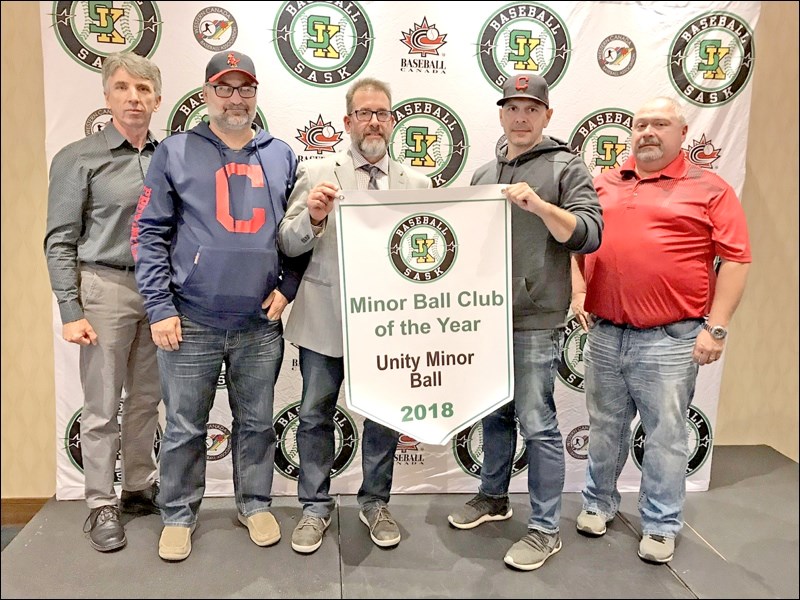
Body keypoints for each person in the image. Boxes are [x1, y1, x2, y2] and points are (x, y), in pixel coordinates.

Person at [132, 51, 307, 561]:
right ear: (206, 94)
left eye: (245, 88)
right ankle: (179, 514)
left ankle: (254, 504)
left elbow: (298, 233)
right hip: (191, 320)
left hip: (259, 323)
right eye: (224, 88)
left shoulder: (281, 155)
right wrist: (160, 306)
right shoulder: (176, 151)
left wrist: (289, 285)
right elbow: (148, 231)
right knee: (185, 424)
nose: (235, 98)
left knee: (257, 422)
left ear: (256, 95)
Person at [570, 97, 751, 564]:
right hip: (607, 334)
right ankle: (597, 503)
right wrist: (576, 292)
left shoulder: (710, 189)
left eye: (660, 124)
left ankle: (660, 523)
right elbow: (575, 243)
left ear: (682, 132)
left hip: (672, 339)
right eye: (640, 124)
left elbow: (735, 259)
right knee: (605, 428)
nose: (648, 131)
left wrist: (718, 328)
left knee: (666, 435)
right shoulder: (604, 183)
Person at [446, 74, 603, 571]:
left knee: (538, 423)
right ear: (501, 114)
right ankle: (493, 497)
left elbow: (590, 234)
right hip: (486, 318)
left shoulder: (566, 165)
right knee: (494, 413)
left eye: (530, 108)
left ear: (547, 116)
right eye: (512, 107)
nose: (520, 116)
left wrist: (538, 205)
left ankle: (545, 528)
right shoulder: (483, 173)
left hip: (536, 320)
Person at [278, 77, 430, 554]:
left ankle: (375, 503)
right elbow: (287, 241)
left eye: (382, 113)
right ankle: (314, 507)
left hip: (388, 328)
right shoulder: (318, 171)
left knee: (384, 419)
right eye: (364, 113)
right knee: (314, 415)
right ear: (347, 122)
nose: (373, 121)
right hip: (325, 322)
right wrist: (314, 218)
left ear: (392, 121)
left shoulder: (418, 184)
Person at [44, 52, 163, 553]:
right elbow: (59, 239)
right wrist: (71, 311)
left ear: (157, 99)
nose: (132, 98)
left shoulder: (169, 157)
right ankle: (99, 503)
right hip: (103, 287)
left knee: (145, 399)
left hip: (159, 291)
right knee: (100, 407)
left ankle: (137, 487)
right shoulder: (79, 157)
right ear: (107, 95)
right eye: (122, 88)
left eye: (142, 89)